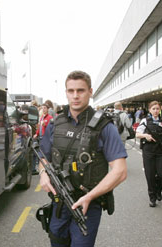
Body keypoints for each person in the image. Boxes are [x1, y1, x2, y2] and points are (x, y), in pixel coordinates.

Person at [38, 70, 127, 246]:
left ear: (90, 92)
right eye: (71, 91)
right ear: (66, 93)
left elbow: (120, 171)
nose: (75, 96)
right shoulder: (56, 123)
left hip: (88, 203)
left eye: (81, 90)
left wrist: (89, 197)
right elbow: (43, 156)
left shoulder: (104, 126)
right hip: (59, 202)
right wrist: (43, 173)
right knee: (57, 241)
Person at [136, 101, 162, 207]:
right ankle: (152, 197)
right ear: (150, 110)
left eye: (157, 109)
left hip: (161, 150)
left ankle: (158, 191)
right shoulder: (145, 121)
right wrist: (145, 136)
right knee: (150, 175)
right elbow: (137, 134)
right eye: (154, 109)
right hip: (149, 150)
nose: (156, 111)